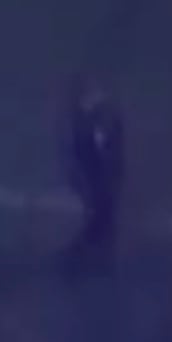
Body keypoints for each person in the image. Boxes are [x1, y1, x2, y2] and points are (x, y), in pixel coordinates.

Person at [63, 80, 127, 276]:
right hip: (99, 175)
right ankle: (95, 250)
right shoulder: (93, 121)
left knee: (101, 214)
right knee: (102, 215)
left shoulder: (94, 121)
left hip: (98, 174)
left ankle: (95, 249)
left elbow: (99, 149)